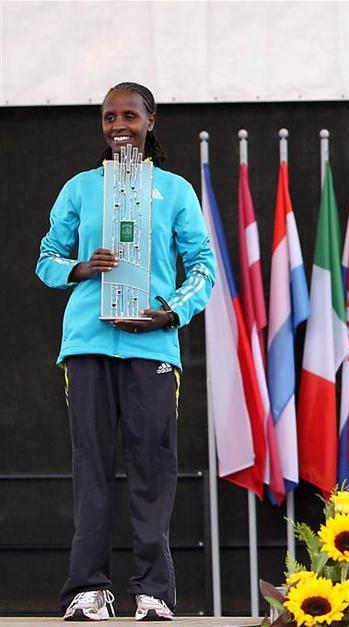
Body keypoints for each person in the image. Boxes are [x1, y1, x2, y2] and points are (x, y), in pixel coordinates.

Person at [36, 82, 216, 621]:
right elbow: (46, 258)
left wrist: (171, 311)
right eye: (110, 116)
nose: (119, 125)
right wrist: (79, 268)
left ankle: (152, 590)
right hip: (87, 343)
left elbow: (203, 265)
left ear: (150, 120)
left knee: (152, 467)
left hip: (152, 344)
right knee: (90, 464)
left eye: (130, 116)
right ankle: (88, 588)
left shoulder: (175, 190)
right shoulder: (80, 188)